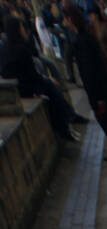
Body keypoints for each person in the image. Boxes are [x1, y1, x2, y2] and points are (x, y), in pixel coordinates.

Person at [1, 12, 77, 140]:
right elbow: (32, 75)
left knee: (51, 85)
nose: (24, 30)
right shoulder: (21, 49)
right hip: (28, 86)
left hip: (21, 86)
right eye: (21, 27)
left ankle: (68, 119)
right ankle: (66, 123)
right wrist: (45, 79)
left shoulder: (7, 49)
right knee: (52, 88)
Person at [63, 3, 107, 160]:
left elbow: (88, 69)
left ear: (70, 19)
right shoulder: (86, 36)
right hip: (101, 84)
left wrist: (95, 95)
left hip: (96, 88)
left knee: (104, 118)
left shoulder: (80, 41)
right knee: (106, 117)